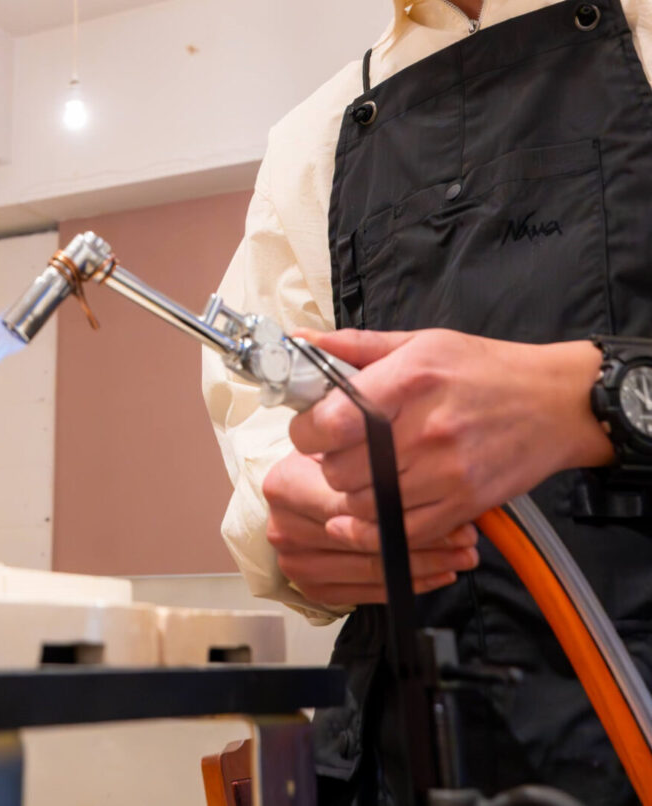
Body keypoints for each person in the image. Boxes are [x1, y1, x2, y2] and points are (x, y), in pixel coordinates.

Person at [203, 0, 652, 803]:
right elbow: (262, 434)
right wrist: (304, 522)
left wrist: (595, 397)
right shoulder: (311, 139)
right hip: (401, 752)